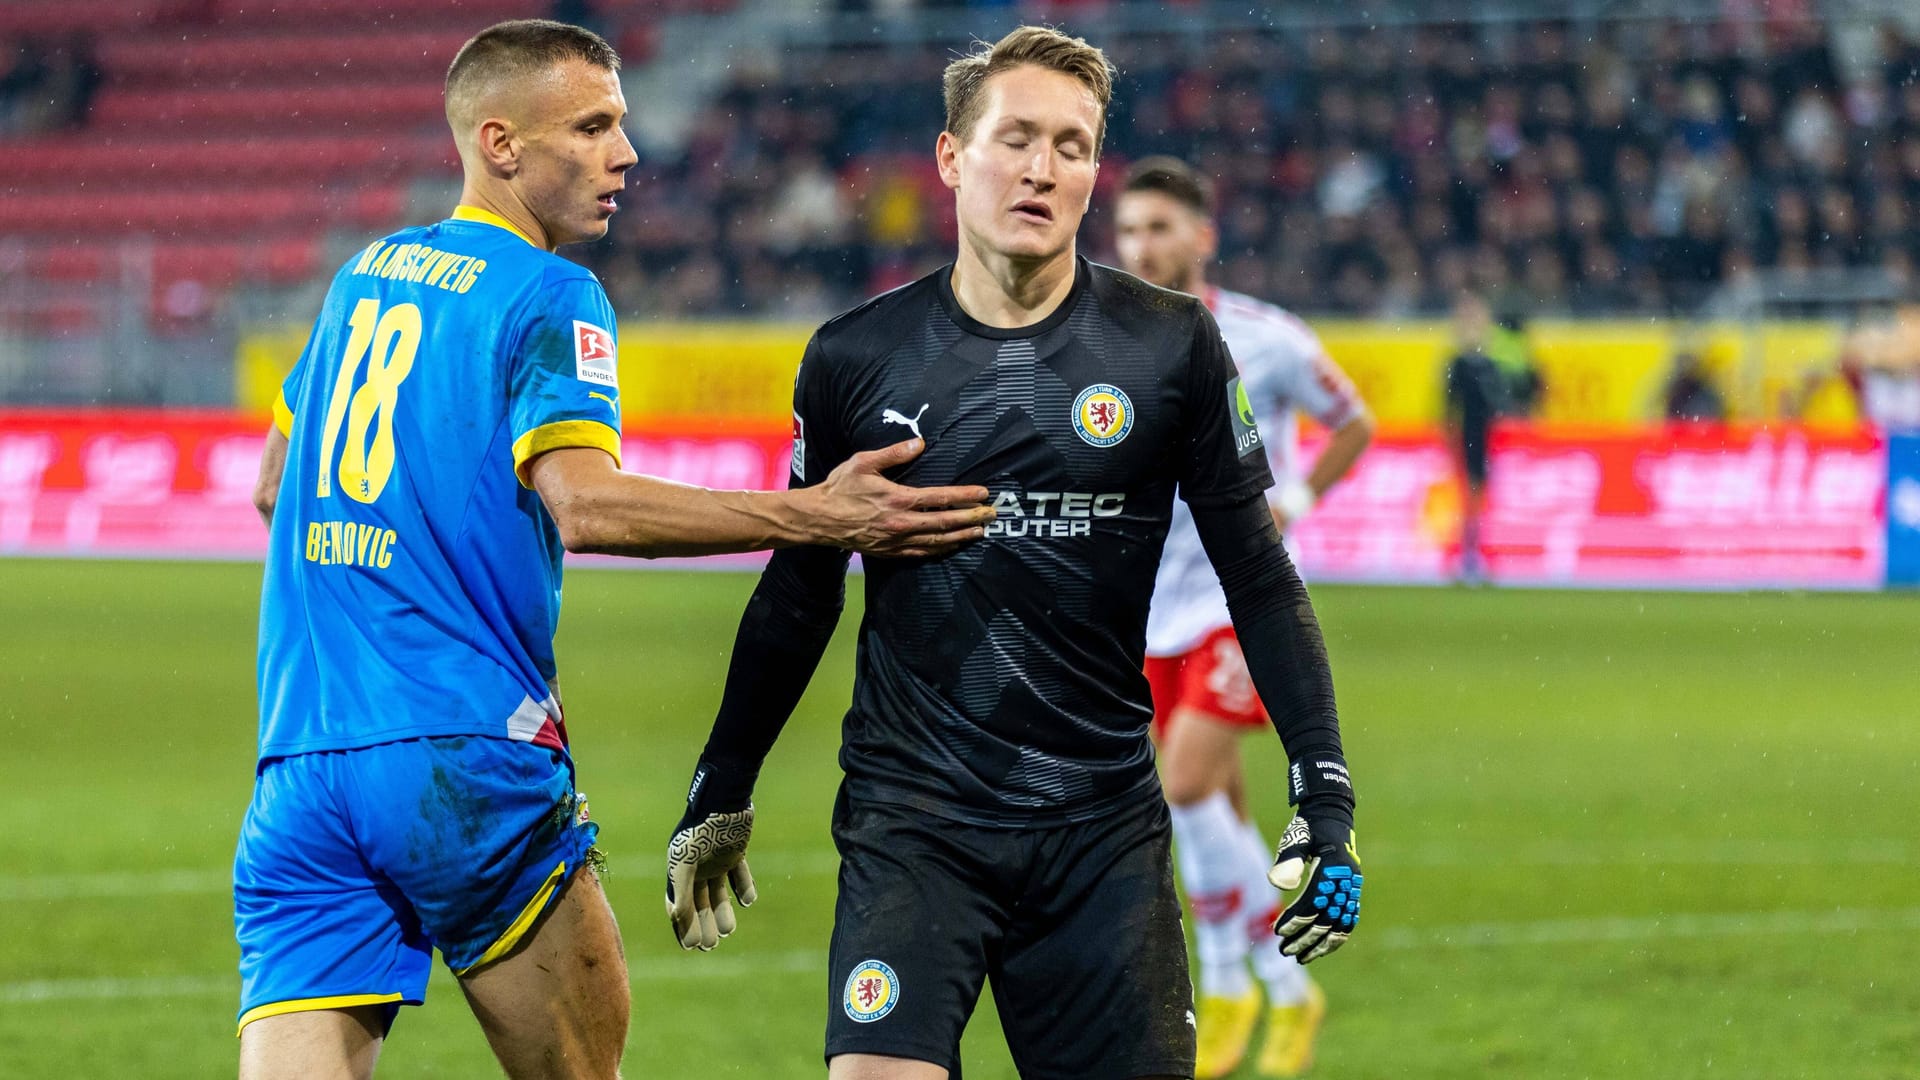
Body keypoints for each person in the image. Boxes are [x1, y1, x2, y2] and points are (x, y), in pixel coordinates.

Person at [236, 20, 994, 1080]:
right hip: (464, 753)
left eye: (622, 124)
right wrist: (815, 516)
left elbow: (274, 483)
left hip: (302, 764)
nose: (626, 154)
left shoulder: (360, 275)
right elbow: (587, 507)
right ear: (499, 144)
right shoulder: (549, 294)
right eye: (591, 128)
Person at [662, 27, 1363, 1080]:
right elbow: (800, 589)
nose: (1043, 167)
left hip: (1100, 834)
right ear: (952, 159)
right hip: (915, 825)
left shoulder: (1169, 345)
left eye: (1073, 145)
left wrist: (1326, 797)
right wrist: (722, 786)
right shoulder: (856, 357)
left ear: (1094, 172)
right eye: (1017, 138)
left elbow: (1259, 575)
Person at [1113, 155, 1373, 1079]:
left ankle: (1228, 980)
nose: (1141, 246)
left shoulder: (1268, 340)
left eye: (1159, 228)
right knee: (1209, 803)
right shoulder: (1104, 340)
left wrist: (1293, 499)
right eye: (1130, 230)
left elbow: (1355, 420)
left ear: (1201, 238)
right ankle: (1290, 990)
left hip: (1237, 598)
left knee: (1182, 784)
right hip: (1146, 610)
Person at [1443, 291, 1509, 584]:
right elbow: (1448, 407)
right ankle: (1468, 556)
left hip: (1489, 440)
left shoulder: (1491, 365)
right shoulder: (1459, 364)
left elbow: (1500, 406)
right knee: (1470, 496)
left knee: (1479, 497)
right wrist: (1450, 438)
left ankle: (1476, 554)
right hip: (1468, 438)